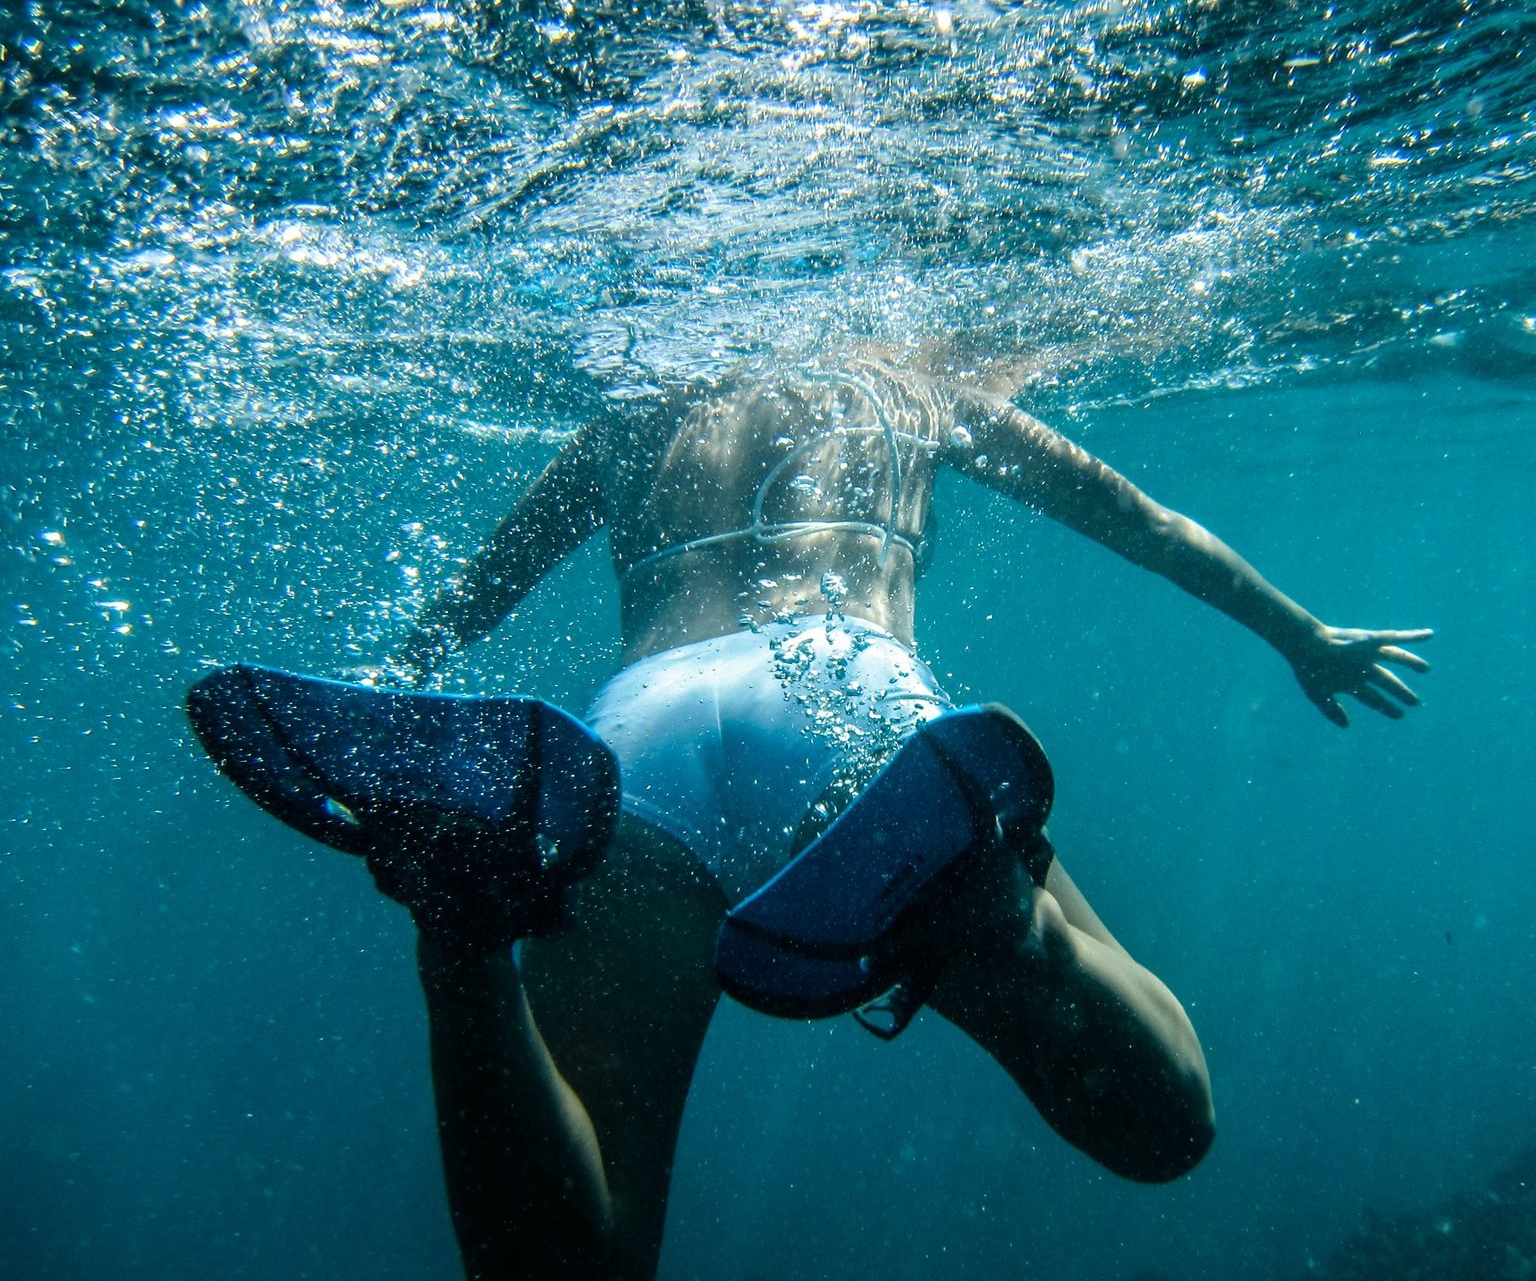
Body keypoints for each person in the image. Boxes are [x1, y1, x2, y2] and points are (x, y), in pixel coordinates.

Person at [261, 345, 1429, 1279]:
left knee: (565, 1267)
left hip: (636, 738)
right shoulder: (910, 383)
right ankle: (999, 926)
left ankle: (461, 942)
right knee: (1168, 1122)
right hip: (851, 708)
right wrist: (1302, 635)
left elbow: (474, 590)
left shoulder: (630, 413)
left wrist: (392, 689)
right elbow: (1146, 524)